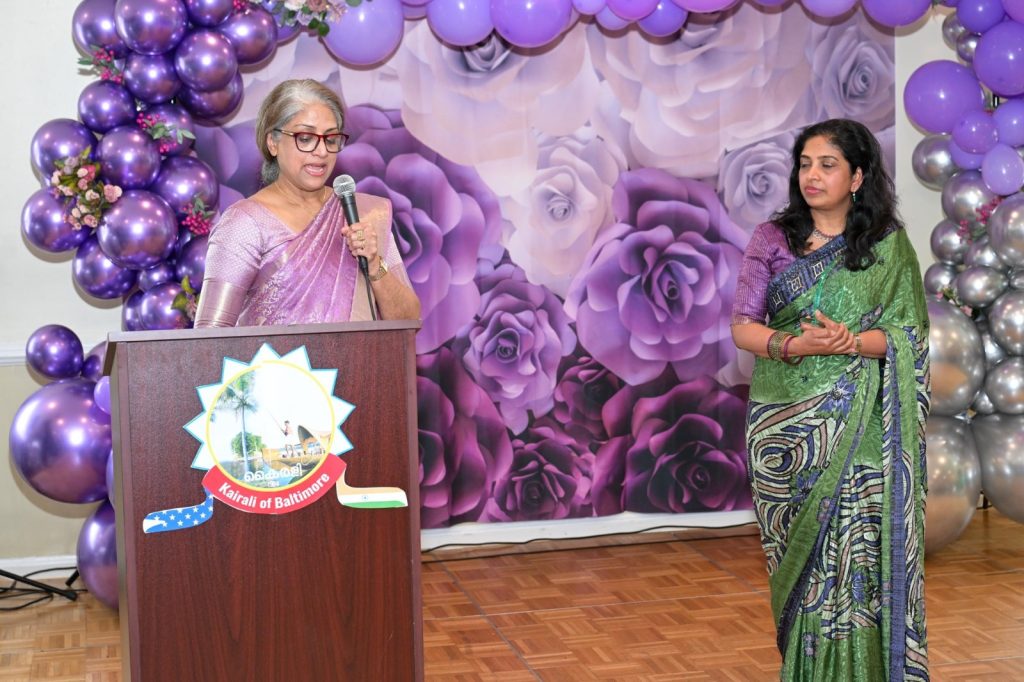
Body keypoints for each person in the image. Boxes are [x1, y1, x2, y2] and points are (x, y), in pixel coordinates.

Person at [731, 119, 930, 681]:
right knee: (801, 565)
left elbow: (910, 336)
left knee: (857, 552)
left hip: (862, 423)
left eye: (827, 165)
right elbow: (743, 327)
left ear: (857, 177)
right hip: (783, 429)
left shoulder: (887, 246)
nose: (812, 176)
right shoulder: (772, 239)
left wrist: (850, 342)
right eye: (805, 164)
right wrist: (795, 345)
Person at [194, 79, 420, 327]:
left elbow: (408, 322)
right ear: (273, 142)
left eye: (330, 139)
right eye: (305, 138)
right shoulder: (245, 223)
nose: (322, 152)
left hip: (361, 355)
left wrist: (375, 264)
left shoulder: (363, 215)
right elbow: (211, 334)